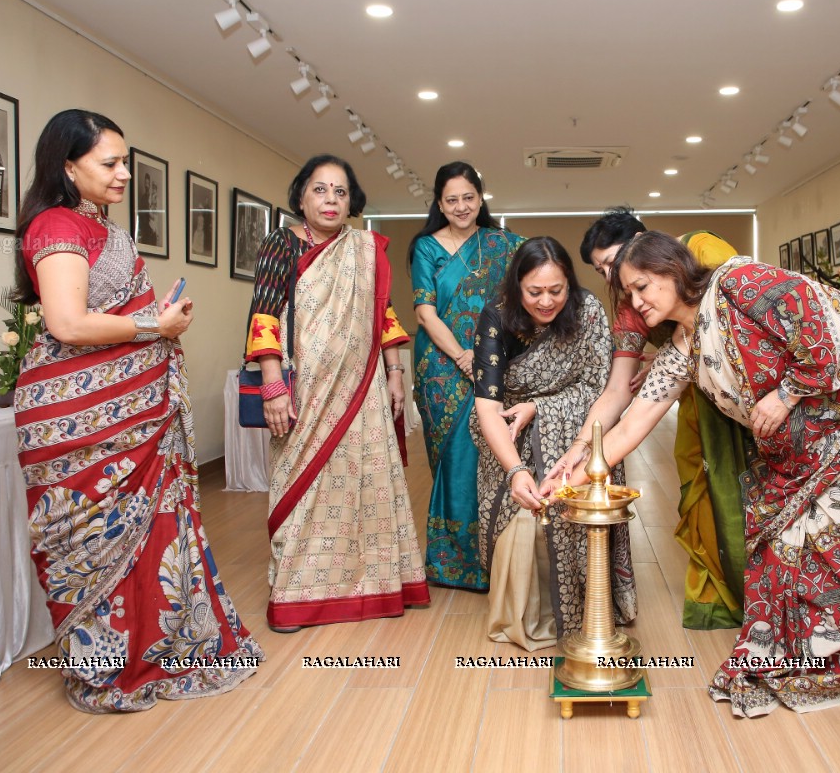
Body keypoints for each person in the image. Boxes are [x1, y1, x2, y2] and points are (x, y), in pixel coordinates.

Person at [547, 231, 840, 716]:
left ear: (673, 270)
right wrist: (572, 468)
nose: (636, 301)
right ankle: (805, 657)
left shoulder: (739, 284)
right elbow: (633, 421)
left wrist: (787, 394)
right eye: (628, 293)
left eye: (643, 286)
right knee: (784, 548)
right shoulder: (681, 350)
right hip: (801, 454)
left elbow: (834, 321)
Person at [12, 109, 263, 712]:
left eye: (125, 160)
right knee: (91, 542)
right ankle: (103, 666)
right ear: (68, 167)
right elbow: (67, 323)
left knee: (153, 533)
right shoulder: (55, 226)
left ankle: (159, 645)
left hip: (136, 419)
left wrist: (158, 324)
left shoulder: (107, 230)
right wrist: (155, 323)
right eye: (110, 163)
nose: (124, 173)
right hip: (82, 421)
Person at [246, 154, 429, 631]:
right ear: (301, 196)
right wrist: (273, 385)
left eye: (340, 192)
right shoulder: (280, 243)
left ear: (353, 201)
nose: (331, 200)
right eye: (320, 189)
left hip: (363, 389)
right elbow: (264, 316)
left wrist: (395, 372)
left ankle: (375, 584)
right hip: (304, 392)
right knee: (302, 486)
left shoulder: (364, 248)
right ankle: (297, 593)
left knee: (367, 483)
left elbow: (383, 314)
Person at [552, 207, 750, 630]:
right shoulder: (635, 313)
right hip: (697, 403)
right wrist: (578, 452)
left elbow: (732, 321)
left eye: (614, 262)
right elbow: (619, 393)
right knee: (706, 500)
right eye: (602, 269)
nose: (613, 278)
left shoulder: (706, 254)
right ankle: (733, 595)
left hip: (763, 397)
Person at [472, 237, 636, 650]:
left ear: (570, 284)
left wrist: (540, 406)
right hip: (509, 432)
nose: (546, 301)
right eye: (534, 292)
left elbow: (601, 389)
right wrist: (515, 470)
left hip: (579, 430)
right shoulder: (496, 315)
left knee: (572, 509)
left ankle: (590, 606)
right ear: (516, 287)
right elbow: (488, 407)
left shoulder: (587, 312)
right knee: (522, 513)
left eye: (556, 290)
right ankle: (530, 614)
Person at [410, 162, 523, 591]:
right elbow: (424, 312)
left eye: (468, 198)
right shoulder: (426, 247)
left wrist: (489, 354)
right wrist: (460, 355)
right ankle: (452, 562)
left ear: (481, 197)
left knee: (488, 453)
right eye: (451, 200)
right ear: (439, 203)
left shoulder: (502, 245)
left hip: (494, 359)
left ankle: (496, 556)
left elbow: (525, 294)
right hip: (440, 364)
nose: (461, 207)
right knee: (453, 457)